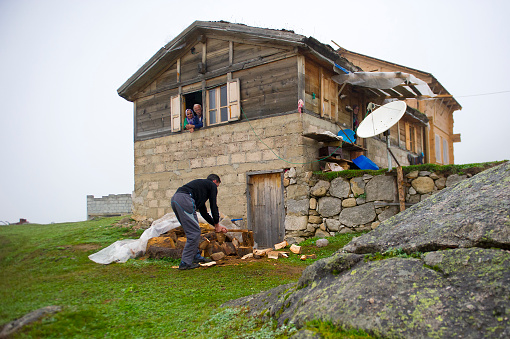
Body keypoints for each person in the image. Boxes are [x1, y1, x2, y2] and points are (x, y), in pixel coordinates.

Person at [171, 174, 227, 270]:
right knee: (194, 232)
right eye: (217, 185)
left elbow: (204, 213)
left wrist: (216, 224)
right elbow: (214, 206)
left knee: (192, 231)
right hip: (185, 199)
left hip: (176, 199)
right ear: (215, 181)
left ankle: (195, 256)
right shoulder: (211, 185)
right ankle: (185, 263)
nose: (216, 188)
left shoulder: (200, 190)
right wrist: (217, 224)